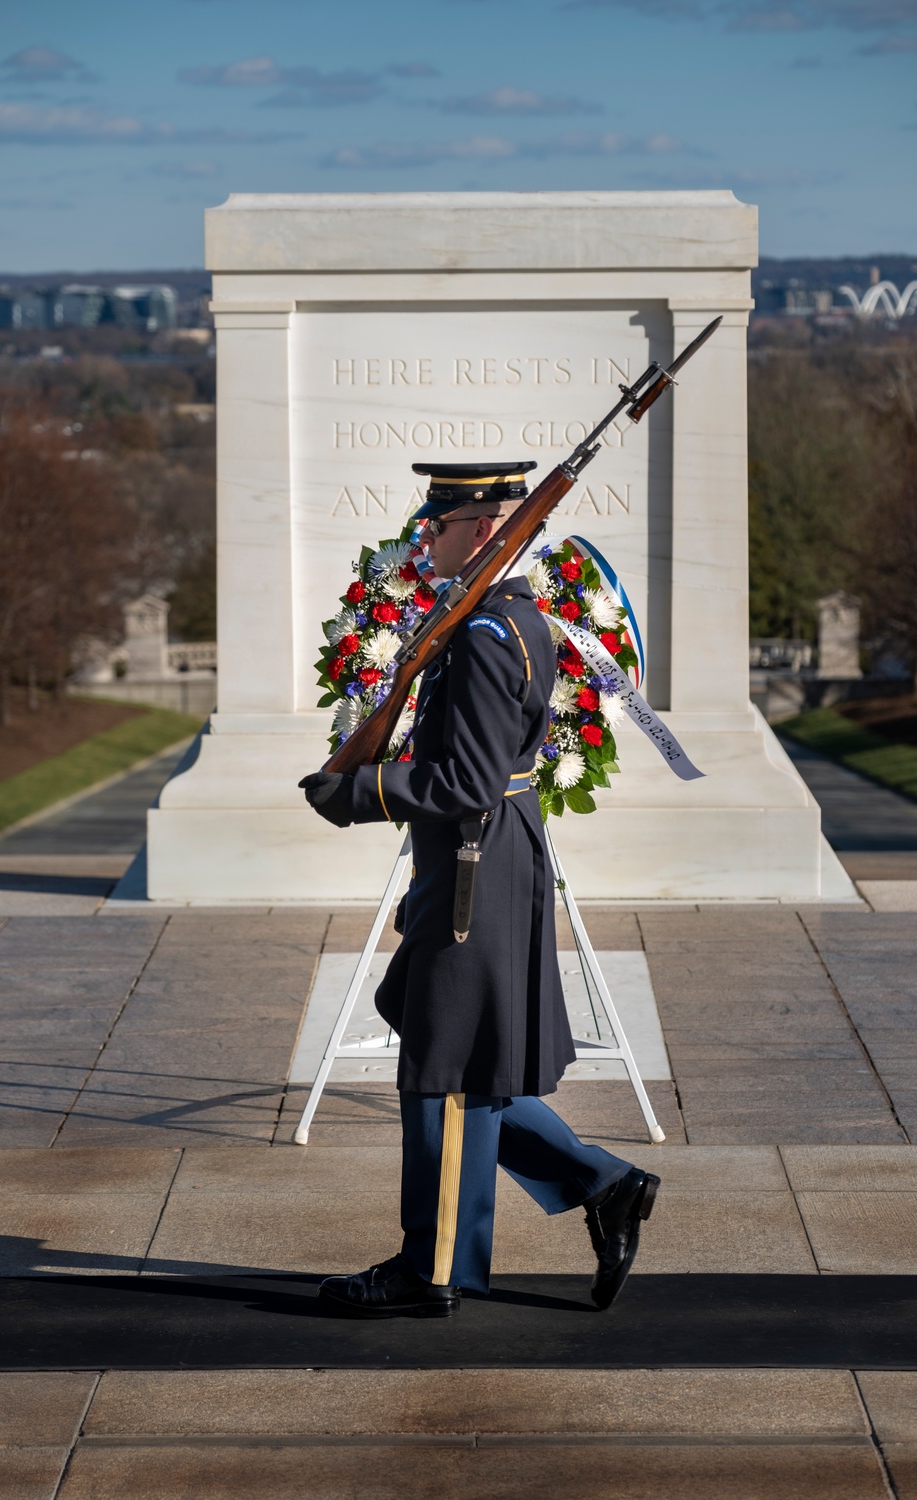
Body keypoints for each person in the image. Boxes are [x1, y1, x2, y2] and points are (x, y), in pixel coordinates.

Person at [299, 460, 659, 1319]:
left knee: (449, 1068)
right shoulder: (507, 620)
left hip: (475, 862)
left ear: (488, 532)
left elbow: (462, 780)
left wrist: (359, 794)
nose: (425, 538)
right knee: (435, 1032)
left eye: (442, 525)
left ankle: (435, 1268)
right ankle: (600, 1181)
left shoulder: (486, 636)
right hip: (476, 860)